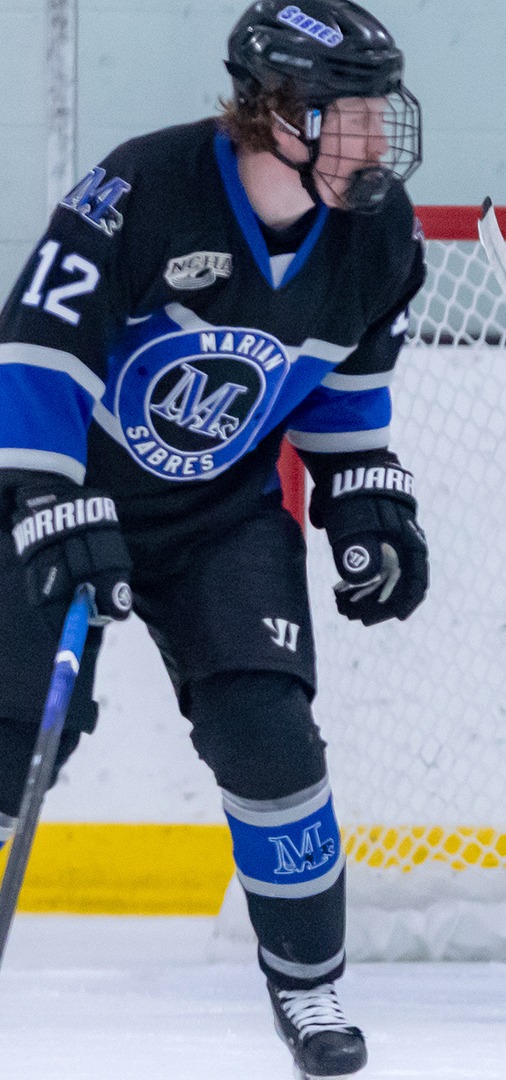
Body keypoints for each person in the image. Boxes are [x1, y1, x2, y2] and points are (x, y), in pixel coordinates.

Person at [0, 3, 426, 1075]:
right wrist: (51, 498)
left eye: (381, 115)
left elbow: (344, 382)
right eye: (348, 116)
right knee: (7, 740)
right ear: (273, 109)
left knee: (270, 737)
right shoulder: (142, 189)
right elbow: (39, 354)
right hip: (63, 494)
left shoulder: (377, 229)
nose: (373, 142)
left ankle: (312, 992)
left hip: (219, 512)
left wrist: (366, 500)